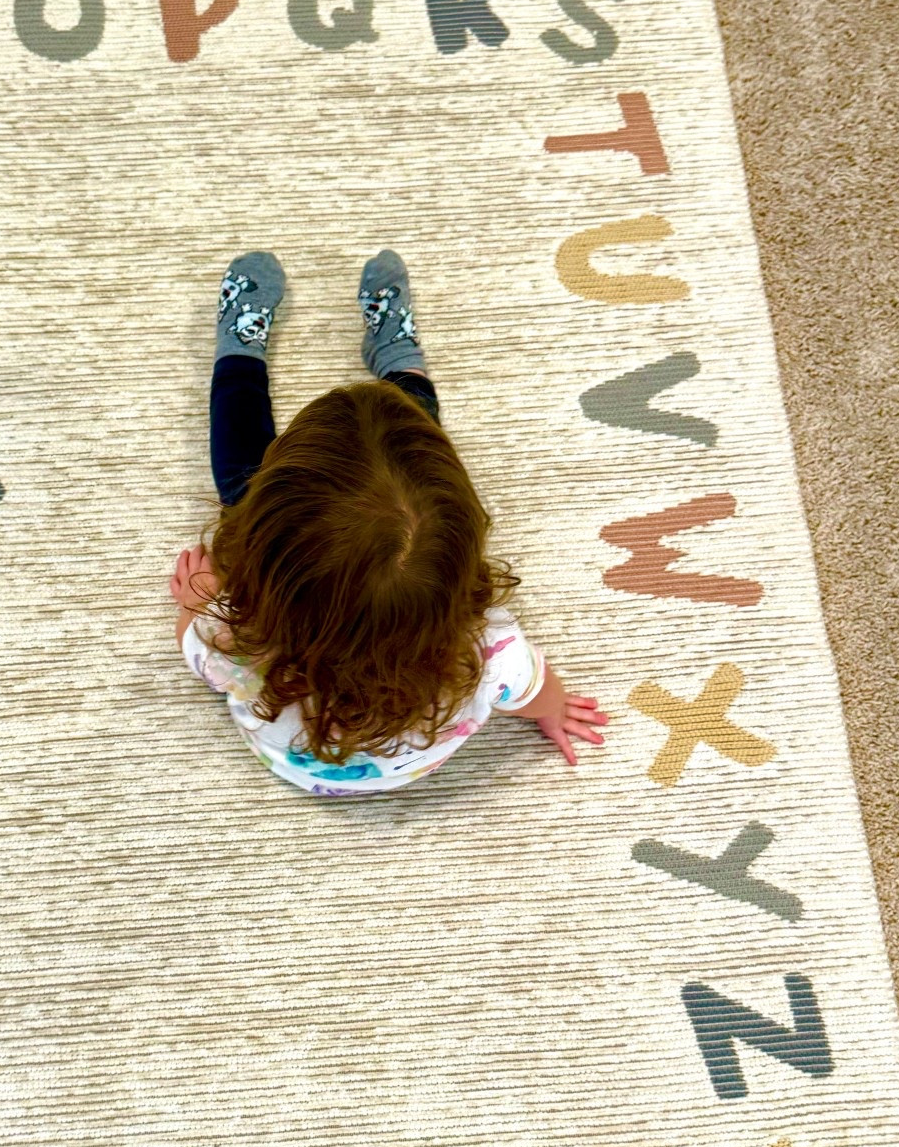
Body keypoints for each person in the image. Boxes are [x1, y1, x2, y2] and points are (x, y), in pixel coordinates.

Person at [171, 248, 608, 797]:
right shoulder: (488, 650)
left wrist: (198, 598)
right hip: (412, 765)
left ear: (268, 561)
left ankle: (240, 346)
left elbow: (192, 638)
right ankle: (398, 355)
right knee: (411, 451)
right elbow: (537, 692)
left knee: (241, 474)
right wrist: (556, 711)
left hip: (294, 769)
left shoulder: (233, 638)